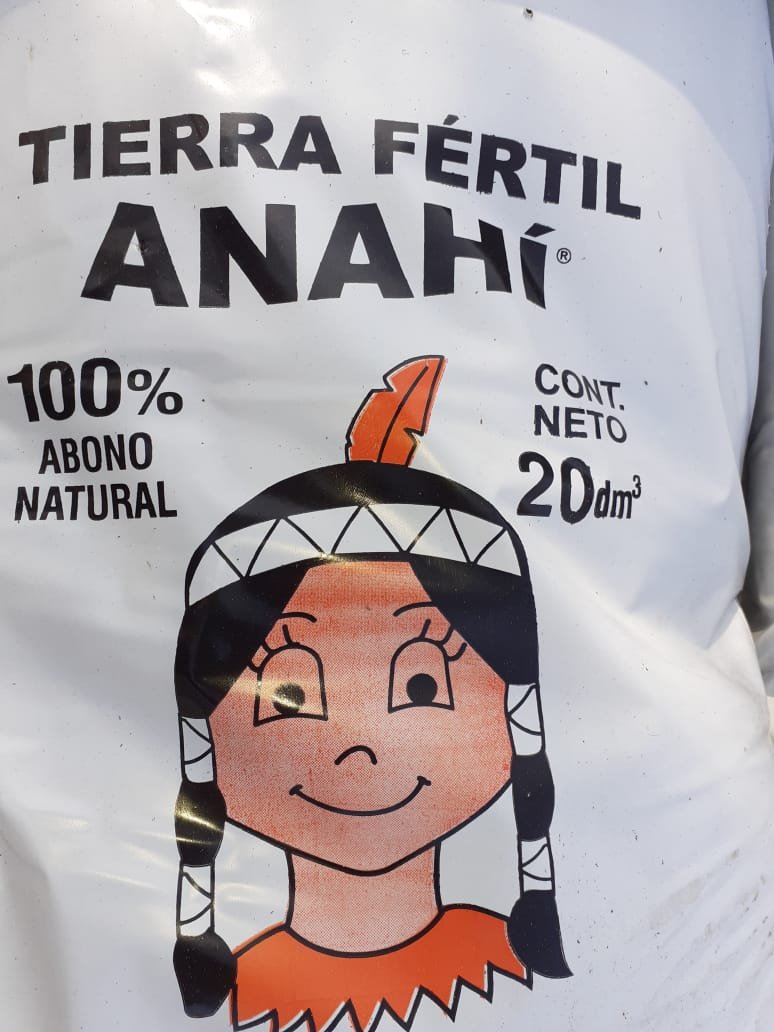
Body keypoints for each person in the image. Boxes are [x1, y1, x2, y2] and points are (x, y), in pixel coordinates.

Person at [171, 357, 570, 1031]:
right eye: (287, 690)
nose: (358, 745)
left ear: (512, 712)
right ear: (207, 731)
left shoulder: (504, 966)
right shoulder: (244, 994)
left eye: (422, 682)